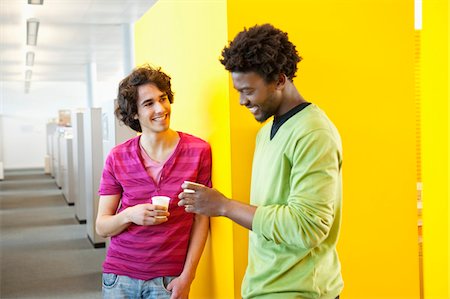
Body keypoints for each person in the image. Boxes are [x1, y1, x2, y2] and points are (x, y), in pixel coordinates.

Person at [179, 24, 343, 299]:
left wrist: (224, 206)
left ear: (279, 80)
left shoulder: (314, 132)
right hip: (263, 288)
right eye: (238, 91)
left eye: (249, 91)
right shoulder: (266, 131)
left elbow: (307, 227)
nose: (242, 101)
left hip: (301, 292)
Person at [96, 65, 211, 299]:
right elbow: (102, 227)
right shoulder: (118, 157)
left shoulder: (199, 151)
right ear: (135, 113)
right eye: (149, 104)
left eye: (163, 99)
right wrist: (130, 215)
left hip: (168, 280)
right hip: (120, 276)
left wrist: (187, 277)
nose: (160, 109)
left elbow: (201, 220)